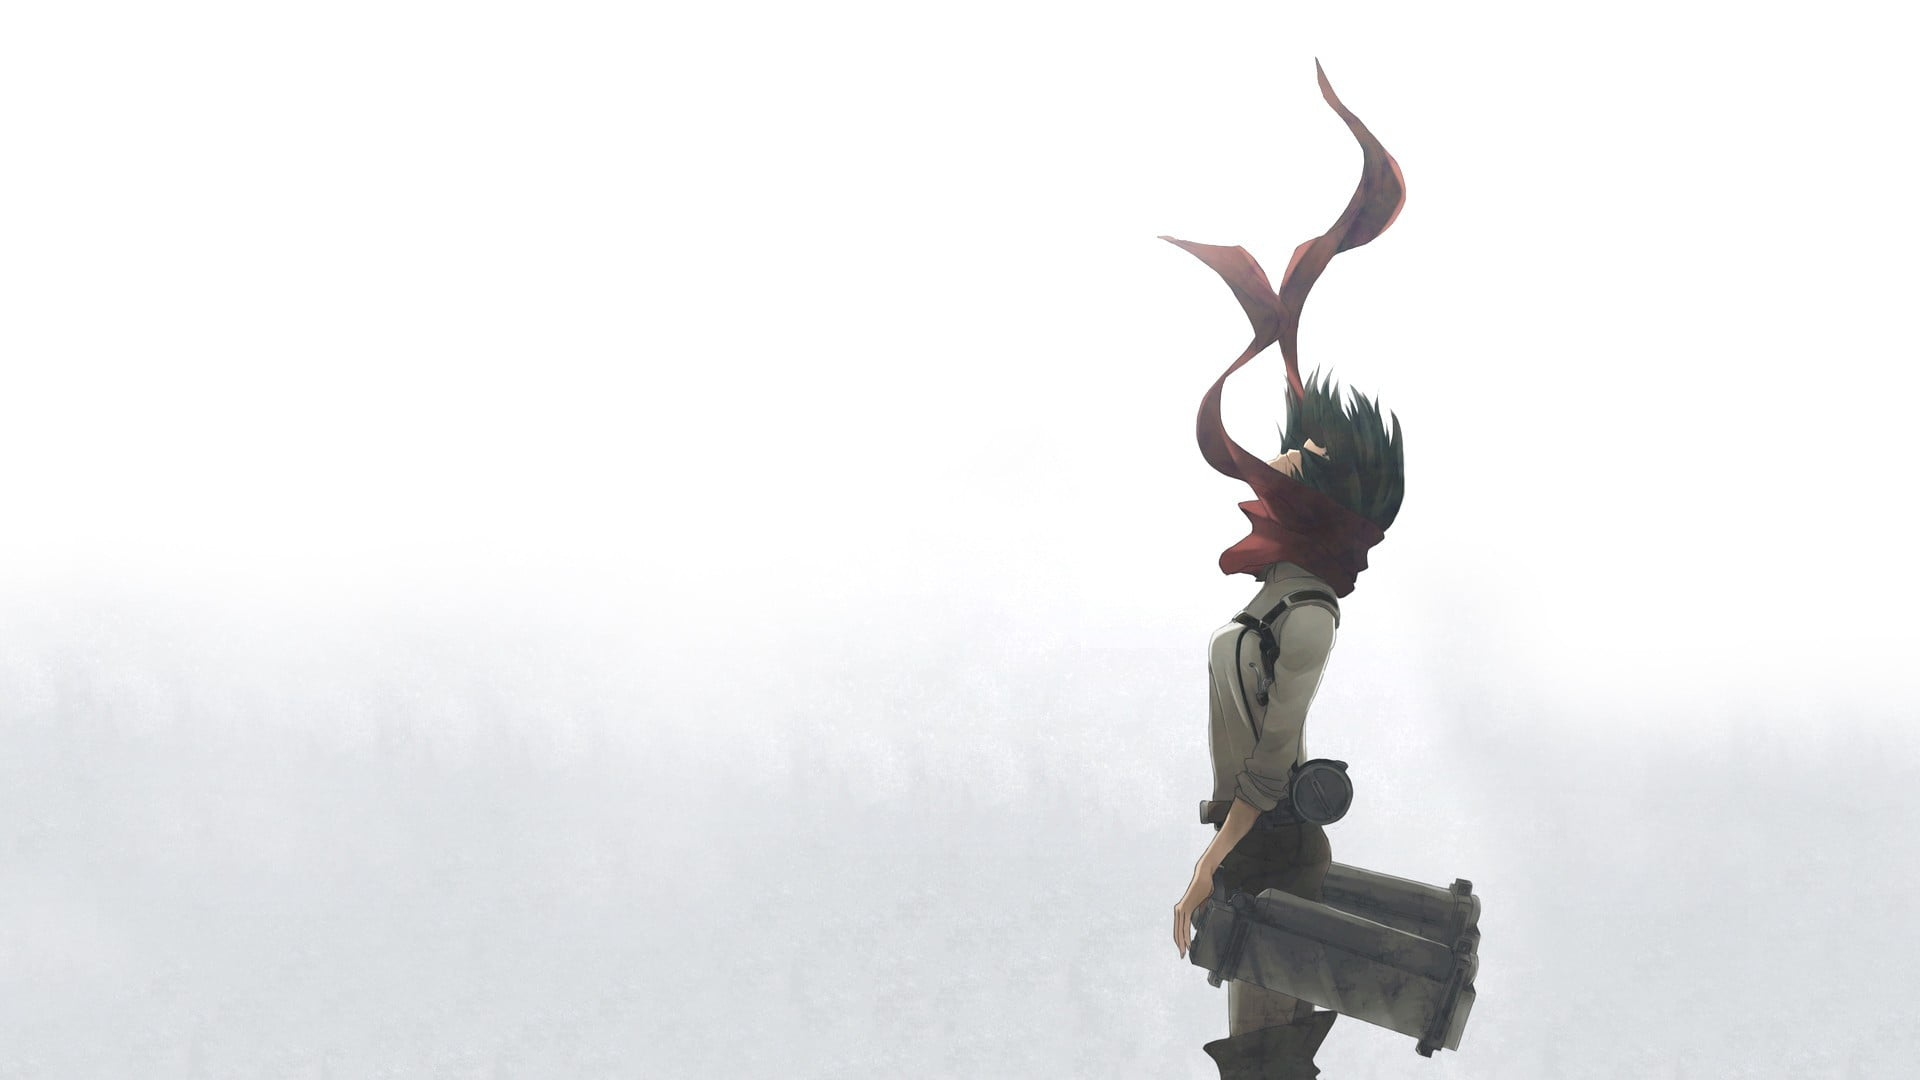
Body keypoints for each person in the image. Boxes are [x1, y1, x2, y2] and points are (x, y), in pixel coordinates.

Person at [1163, 63, 1408, 1080]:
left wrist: (1206, 868)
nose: (1284, 457)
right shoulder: (1271, 601)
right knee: (1262, 1051)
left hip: (1268, 849)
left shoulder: (1305, 615)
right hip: (1252, 846)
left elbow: (1268, 769)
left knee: (1264, 1057)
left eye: (1305, 457)